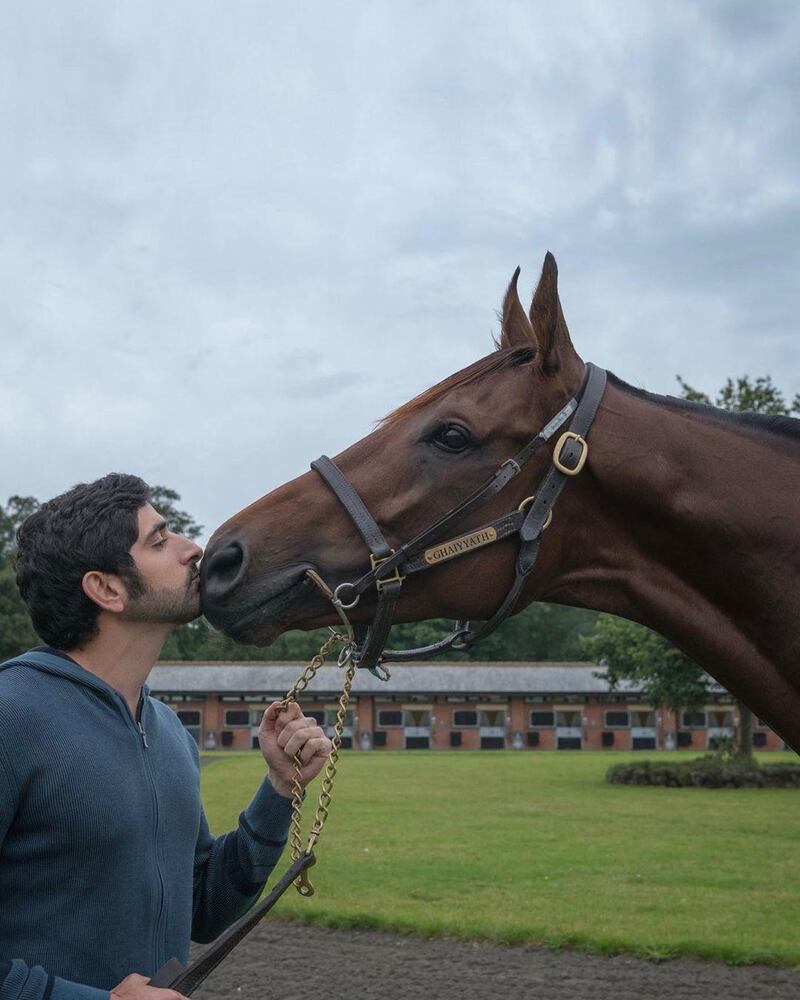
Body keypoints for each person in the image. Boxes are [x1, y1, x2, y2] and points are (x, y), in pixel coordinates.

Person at [0, 474, 333, 1000]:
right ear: (106, 588)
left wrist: (279, 789)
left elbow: (204, 907)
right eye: (159, 541)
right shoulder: (11, 713)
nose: (192, 549)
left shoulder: (169, 730)